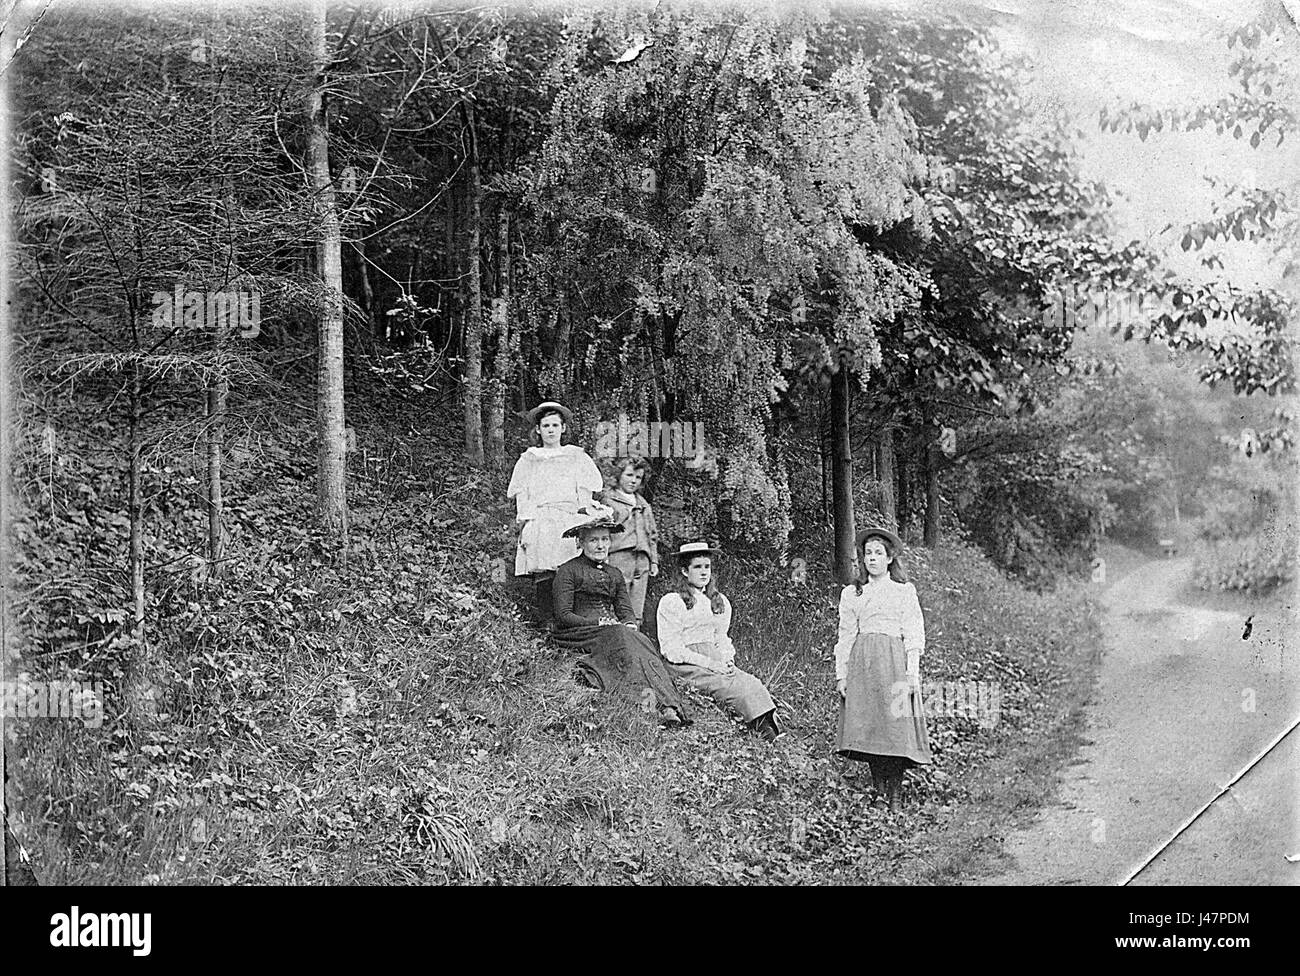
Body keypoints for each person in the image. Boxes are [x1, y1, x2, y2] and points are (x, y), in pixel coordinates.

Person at [550, 517, 691, 726]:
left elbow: (625, 609)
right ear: (580, 542)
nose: (600, 545)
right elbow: (563, 615)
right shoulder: (568, 571)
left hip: (612, 630)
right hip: (576, 632)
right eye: (593, 540)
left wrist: (630, 623)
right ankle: (649, 706)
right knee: (620, 637)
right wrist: (599, 623)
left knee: (641, 640)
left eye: (605, 539)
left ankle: (669, 706)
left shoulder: (614, 573)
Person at [833, 527, 932, 810]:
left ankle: (895, 793)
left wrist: (912, 673)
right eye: (868, 554)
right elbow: (846, 636)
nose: (872, 559)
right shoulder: (853, 594)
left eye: (878, 553)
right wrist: (842, 675)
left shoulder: (903, 591)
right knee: (873, 727)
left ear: (890, 558)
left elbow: (914, 635)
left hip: (894, 662)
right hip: (864, 665)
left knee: (895, 727)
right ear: (862, 559)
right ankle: (878, 791)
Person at [656, 542, 780, 741]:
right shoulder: (673, 601)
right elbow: (671, 648)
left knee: (752, 683)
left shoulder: (718, 600)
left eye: (707, 567)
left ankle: (771, 731)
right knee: (730, 687)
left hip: (714, 657)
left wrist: (727, 659)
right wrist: (711, 664)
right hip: (686, 663)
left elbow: (721, 636)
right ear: (684, 571)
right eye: (697, 567)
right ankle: (766, 734)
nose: (704, 572)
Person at [506, 401, 610, 626]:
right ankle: (548, 624)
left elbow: (584, 492)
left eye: (555, 425)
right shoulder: (530, 459)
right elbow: (522, 494)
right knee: (544, 571)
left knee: (569, 570)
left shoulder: (576, 456)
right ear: (538, 429)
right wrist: (527, 524)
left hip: (567, 517)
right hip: (542, 519)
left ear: (563, 428)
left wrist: (585, 516)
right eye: (546, 426)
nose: (550, 430)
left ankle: (571, 624)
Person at [602, 456, 659, 627]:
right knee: (618, 599)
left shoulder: (643, 504)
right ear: (619, 475)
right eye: (629, 475)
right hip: (619, 556)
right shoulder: (608, 500)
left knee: (637, 605)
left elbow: (652, 534)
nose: (633, 481)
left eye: (638, 477)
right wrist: (603, 555)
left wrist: (653, 561)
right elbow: (603, 531)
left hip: (642, 559)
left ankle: (636, 642)